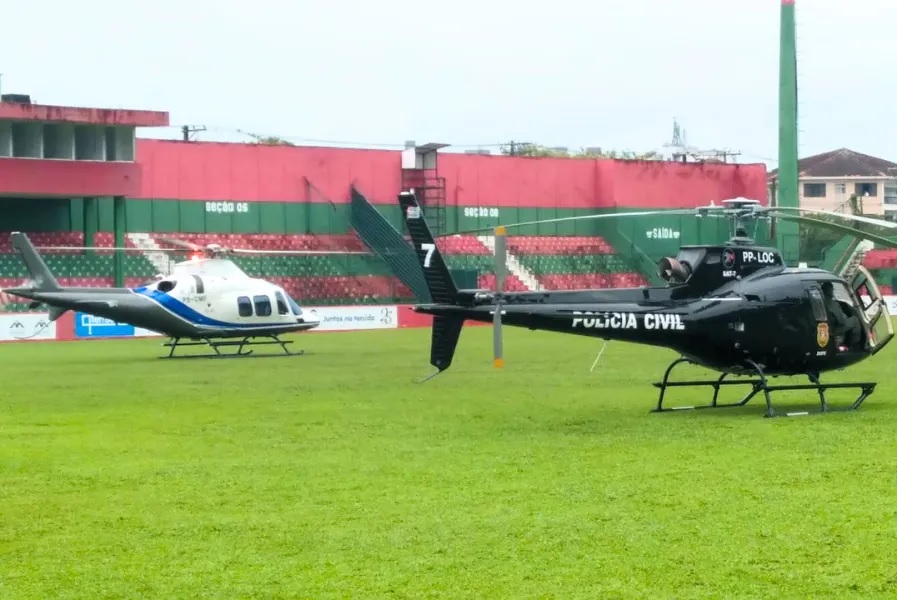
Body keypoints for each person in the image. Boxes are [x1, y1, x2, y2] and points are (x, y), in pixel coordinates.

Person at [821, 281, 861, 346]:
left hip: (821, 329)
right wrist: (845, 317)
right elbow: (841, 321)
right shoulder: (833, 304)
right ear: (830, 290)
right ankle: (855, 344)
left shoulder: (819, 302)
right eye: (832, 290)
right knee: (855, 320)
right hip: (832, 330)